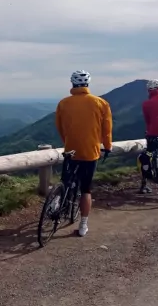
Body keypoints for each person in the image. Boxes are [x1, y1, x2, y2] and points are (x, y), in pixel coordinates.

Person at [55, 70, 113, 237]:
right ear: (88, 84)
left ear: (72, 84)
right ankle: (83, 225)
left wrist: (66, 142)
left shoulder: (63, 103)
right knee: (86, 189)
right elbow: (107, 130)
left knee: (66, 181)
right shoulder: (101, 103)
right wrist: (107, 146)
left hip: (70, 149)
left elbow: (60, 126)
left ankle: (58, 203)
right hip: (90, 152)